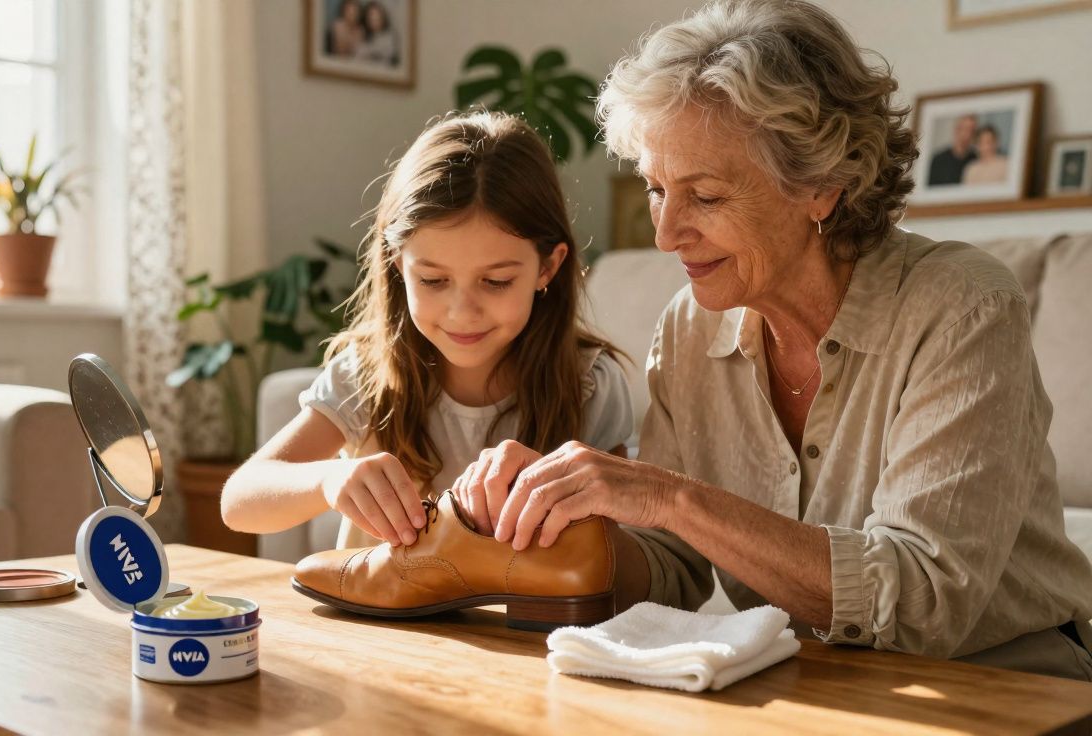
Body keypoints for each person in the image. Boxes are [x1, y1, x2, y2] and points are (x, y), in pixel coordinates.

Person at [457, 0, 1092, 679]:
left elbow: (921, 604)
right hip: (807, 682)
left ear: (822, 186)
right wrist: (555, 523)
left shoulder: (962, 306)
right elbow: (674, 566)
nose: (666, 233)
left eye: (704, 196)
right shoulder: (689, 326)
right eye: (655, 188)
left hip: (1008, 682)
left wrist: (669, 495)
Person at [221, 111, 633, 551]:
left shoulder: (591, 384)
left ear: (547, 267)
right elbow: (239, 500)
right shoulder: (366, 376)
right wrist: (329, 479)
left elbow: (621, 550)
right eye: (433, 280)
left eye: (496, 282)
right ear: (399, 266)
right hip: (378, 621)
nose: (463, 312)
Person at [927, 114, 978, 186]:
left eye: (972, 131)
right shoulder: (938, 160)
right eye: (965, 129)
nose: (968, 135)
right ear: (956, 130)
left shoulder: (976, 159)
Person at [357, 2, 399, 67]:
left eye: (376, 15)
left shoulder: (389, 36)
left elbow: (388, 57)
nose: (374, 18)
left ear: (382, 17)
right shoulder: (363, 35)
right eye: (370, 16)